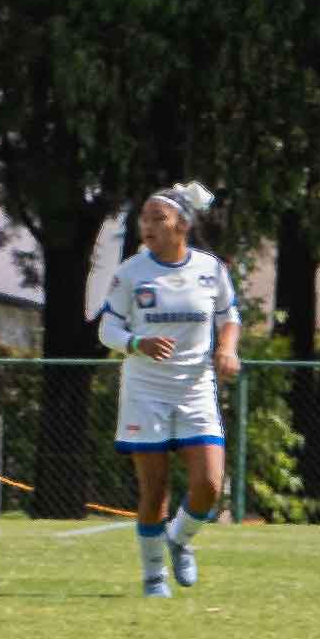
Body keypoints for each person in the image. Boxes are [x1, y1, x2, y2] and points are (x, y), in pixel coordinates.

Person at [96, 183, 241, 597]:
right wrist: (135, 343)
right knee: (154, 488)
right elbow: (108, 327)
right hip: (145, 390)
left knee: (210, 484)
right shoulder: (130, 273)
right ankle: (153, 576)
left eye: (158, 218)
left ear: (183, 225)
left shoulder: (210, 269)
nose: (148, 226)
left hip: (195, 388)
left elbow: (228, 316)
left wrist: (228, 349)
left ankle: (179, 538)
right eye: (144, 218)